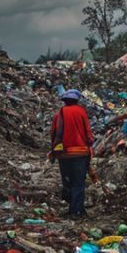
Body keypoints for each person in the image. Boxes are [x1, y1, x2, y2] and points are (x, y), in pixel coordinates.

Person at [50, 89, 94, 217]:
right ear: (76, 100)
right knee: (79, 182)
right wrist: (90, 143)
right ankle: (77, 210)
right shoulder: (81, 112)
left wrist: (53, 149)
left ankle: (73, 207)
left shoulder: (59, 114)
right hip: (80, 153)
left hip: (63, 153)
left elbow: (53, 133)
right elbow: (88, 134)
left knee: (67, 181)